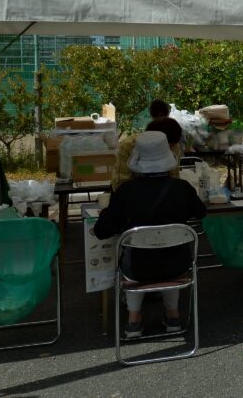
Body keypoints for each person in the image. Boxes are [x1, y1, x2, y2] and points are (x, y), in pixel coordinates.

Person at [95, 131, 206, 338]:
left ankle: (134, 319)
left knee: (132, 253)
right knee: (170, 252)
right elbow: (201, 212)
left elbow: (102, 231)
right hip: (178, 264)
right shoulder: (182, 188)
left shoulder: (126, 192)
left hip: (136, 267)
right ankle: (173, 315)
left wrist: (106, 214)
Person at [111, 117, 183, 191]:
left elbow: (174, 177)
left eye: (172, 145)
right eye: (167, 145)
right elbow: (121, 182)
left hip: (162, 191)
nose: (169, 149)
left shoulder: (174, 147)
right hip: (133, 192)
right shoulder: (128, 146)